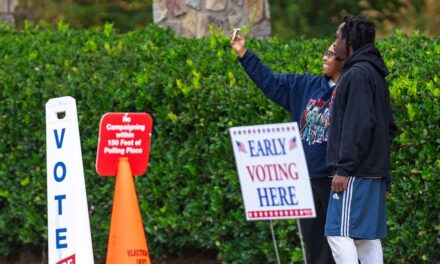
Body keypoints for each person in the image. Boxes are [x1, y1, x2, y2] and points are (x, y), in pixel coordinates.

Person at [231, 32, 343, 264]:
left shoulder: (352, 90)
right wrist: (243, 53)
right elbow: (270, 82)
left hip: (336, 180)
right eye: (326, 52)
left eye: (331, 54)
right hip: (307, 179)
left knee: (341, 244)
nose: (325, 57)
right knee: (314, 245)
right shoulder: (306, 85)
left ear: (344, 60)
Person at [325, 15, 398, 263]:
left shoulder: (356, 75)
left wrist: (343, 168)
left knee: (337, 232)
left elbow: (357, 125)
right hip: (372, 170)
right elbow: (389, 126)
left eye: (337, 38)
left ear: (349, 41)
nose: (334, 44)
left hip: (354, 172)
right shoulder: (375, 74)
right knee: (366, 238)